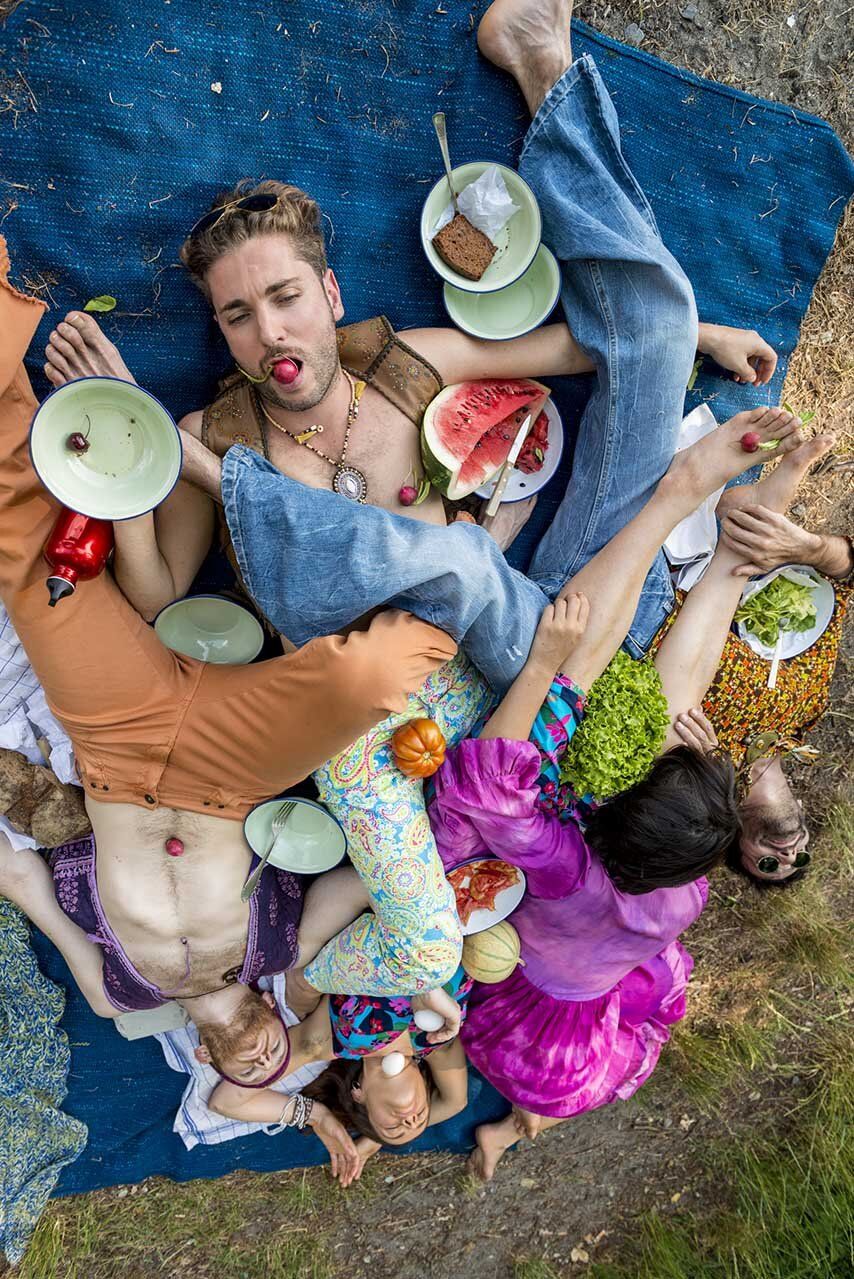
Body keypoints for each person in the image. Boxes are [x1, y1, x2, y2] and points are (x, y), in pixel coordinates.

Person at [42, 0, 779, 695]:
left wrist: (689, 335)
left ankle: (541, 66)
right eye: (238, 316)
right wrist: (132, 443)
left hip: (551, 619)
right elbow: (158, 596)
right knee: (463, 562)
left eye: (286, 297)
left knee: (655, 326)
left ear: (331, 294)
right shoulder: (205, 434)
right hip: (413, 709)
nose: (269, 333)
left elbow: (580, 349)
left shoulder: (401, 362)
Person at [0, 235, 457, 1029]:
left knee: (24, 553)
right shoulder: (284, 957)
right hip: (237, 766)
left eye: (238, 1062)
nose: (255, 1054)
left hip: (114, 742)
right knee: (380, 673)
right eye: (272, 1053)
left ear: (205, 1061)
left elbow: (23, 878)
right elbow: (372, 880)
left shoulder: (120, 998)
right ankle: (458, 559)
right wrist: (421, 985)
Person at [425, 423, 828, 1181]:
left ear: (608, 813)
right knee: (674, 715)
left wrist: (549, 668)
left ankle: (515, 1126)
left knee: (544, 1100)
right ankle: (737, 552)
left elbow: (487, 789)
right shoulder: (684, 888)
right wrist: (699, 759)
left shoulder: (569, 868)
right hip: (615, 960)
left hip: (546, 1022)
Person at [195, 970, 471, 1187]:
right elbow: (455, 1102)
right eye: (420, 1119)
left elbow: (226, 1102)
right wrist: (378, 1141)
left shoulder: (330, 1041)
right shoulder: (437, 1043)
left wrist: (318, 1116)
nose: (410, 1121)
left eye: (393, 1128)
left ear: (358, 1095)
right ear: (423, 1082)